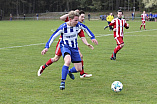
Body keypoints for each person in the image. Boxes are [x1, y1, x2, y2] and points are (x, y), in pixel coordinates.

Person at [40, 11, 98, 90]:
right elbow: (53, 36)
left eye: (78, 20)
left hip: (74, 48)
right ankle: (62, 82)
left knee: (79, 69)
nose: (77, 22)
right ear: (70, 19)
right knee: (67, 61)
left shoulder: (78, 25)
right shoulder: (63, 27)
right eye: (75, 20)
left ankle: (69, 71)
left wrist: (92, 37)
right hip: (65, 46)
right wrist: (46, 47)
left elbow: (86, 28)